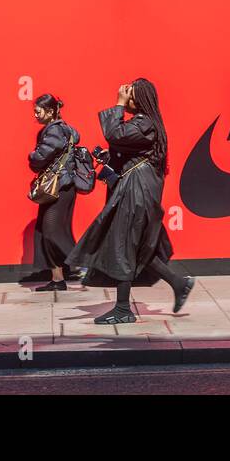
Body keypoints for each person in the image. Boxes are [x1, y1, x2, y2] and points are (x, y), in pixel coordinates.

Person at [68, 78, 195, 324]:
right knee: (135, 248)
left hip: (137, 194)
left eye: (133, 96)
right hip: (136, 190)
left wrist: (118, 103)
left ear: (142, 101)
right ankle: (179, 284)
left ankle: (123, 309)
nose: (129, 100)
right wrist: (110, 156)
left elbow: (114, 133)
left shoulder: (145, 123)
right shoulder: (143, 124)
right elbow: (124, 144)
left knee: (124, 246)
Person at [27, 94, 81, 292]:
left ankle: (81, 262)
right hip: (61, 186)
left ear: (50, 112)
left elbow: (41, 156)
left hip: (60, 187)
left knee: (51, 230)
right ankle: (57, 279)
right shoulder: (61, 129)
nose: (35, 114)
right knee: (44, 231)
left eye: (38, 111)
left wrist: (32, 156)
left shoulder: (55, 130)